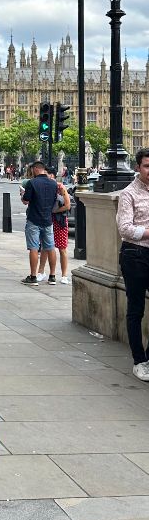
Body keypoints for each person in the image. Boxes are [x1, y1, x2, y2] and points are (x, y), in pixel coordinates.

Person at [116, 148, 149, 381]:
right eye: (147, 166)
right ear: (138, 167)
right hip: (135, 255)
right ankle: (139, 360)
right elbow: (125, 228)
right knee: (136, 309)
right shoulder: (129, 194)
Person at [21, 160, 58, 286]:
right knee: (50, 247)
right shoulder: (53, 183)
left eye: (32, 170)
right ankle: (52, 276)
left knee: (33, 248)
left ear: (36, 169)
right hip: (48, 220)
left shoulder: (32, 183)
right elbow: (54, 201)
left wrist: (22, 195)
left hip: (34, 219)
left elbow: (26, 201)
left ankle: (33, 276)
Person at [38, 167, 71, 284]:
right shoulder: (44, 187)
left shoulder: (60, 187)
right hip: (47, 220)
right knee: (45, 248)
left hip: (59, 220)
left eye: (47, 175)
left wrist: (54, 211)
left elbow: (68, 205)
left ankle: (64, 275)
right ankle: (41, 272)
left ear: (52, 176)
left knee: (62, 248)